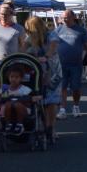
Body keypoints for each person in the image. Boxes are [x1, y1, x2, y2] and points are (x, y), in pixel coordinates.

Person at [25, 16, 62, 145]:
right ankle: (46, 127)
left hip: (52, 72)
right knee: (41, 101)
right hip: (37, 73)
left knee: (51, 101)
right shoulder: (29, 38)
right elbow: (23, 49)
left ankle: (51, 128)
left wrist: (46, 56)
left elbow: (53, 47)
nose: (28, 32)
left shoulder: (51, 35)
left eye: (30, 29)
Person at [0, 0, 26, 118]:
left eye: (6, 14)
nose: (3, 16)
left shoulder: (18, 29)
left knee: (9, 93)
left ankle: (8, 115)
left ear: (12, 14)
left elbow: (23, 47)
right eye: (1, 14)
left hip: (12, 63)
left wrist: (22, 61)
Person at [55, 10, 87, 119]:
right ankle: (62, 109)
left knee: (75, 88)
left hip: (76, 64)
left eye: (66, 17)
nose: (64, 20)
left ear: (73, 17)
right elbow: (52, 45)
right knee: (62, 86)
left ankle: (76, 106)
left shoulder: (81, 31)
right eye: (63, 18)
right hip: (61, 64)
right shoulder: (58, 30)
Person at [0, 66, 32, 135]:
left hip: (22, 110)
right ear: (8, 77)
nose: (13, 79)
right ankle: (8, 124)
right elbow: (2, 99)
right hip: (8, 111)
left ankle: (19, 125)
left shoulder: (25, 89)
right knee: (8, 104)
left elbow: (29, 102)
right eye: (12, 77)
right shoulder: (5, 88)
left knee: (16, 104)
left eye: (16, 77)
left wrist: (23, 99)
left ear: (21, 79)